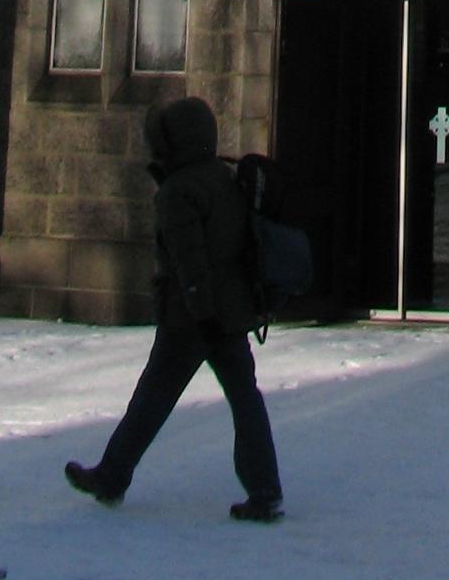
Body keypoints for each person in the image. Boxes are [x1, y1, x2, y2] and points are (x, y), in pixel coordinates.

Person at [66, 97, 285, 522]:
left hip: (192, 318)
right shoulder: (224, 178)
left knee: (153, 398)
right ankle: (265, 489)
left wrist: (200, 310)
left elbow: (191, 259)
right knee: (244, 400)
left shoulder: (177, 191)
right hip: (231, 312)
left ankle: (111, 476)